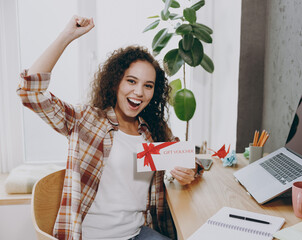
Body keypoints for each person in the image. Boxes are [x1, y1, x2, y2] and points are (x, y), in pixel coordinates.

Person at [17, 16, 202, 240]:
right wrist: (66, 36)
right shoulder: (87, 121)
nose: (139, 92)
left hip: (137, 233)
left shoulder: (151, 130)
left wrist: (188, 169)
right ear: (116, 82)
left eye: (148, 86)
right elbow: (30, 93)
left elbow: (186, 158)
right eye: (131, 81)